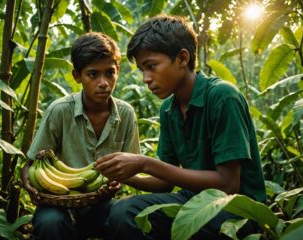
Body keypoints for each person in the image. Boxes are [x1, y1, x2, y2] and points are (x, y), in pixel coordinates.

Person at [95, 15, 266, 239]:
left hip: (235, 210)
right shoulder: (169, 109)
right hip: (192, 202)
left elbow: (228, 184)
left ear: (182, 58)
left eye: (151, 66)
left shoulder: (223, 97)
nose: (146, 78)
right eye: (142, 70)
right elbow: (165, 183)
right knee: (123, 212)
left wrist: (145, 163)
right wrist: (123, 175)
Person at [22, 32, 140, 240]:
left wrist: (117, 182)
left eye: (109, 73)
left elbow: (131, 168)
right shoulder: (60, 111)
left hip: (102, 203)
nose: (103, 82)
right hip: (59, 202)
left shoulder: (126, 114)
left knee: (126, 219)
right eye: (93, 74)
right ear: (77, 76)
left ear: (118, 71)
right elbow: (30, 165)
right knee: (50, 223)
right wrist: (31, 186)